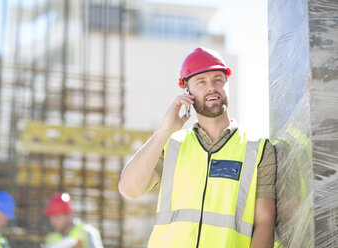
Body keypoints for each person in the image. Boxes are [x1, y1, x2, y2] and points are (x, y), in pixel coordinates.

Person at [118, 47, 276, 247]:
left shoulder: (259, 150)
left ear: (227, 85)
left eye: (218, 79)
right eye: (201, 82)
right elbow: (129, 189)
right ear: (187, 93)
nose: (211, 87)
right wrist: (164, 130)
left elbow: (264, 223)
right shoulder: (172, 145)